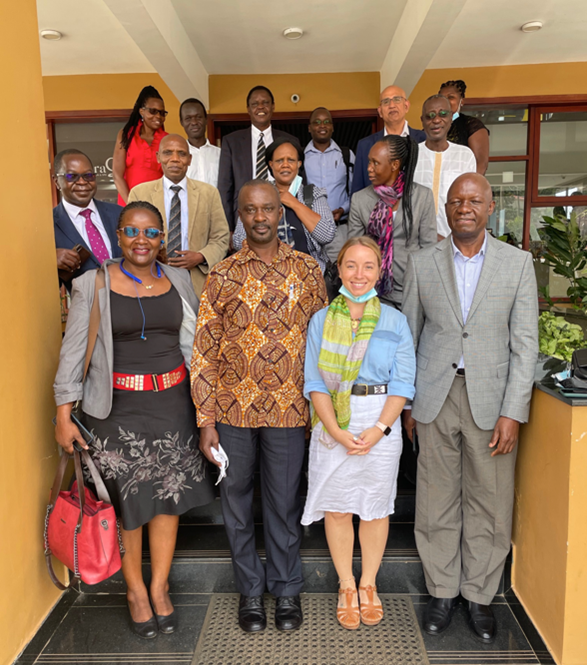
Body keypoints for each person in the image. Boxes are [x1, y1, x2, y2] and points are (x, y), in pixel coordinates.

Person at [54, 201, 215, 639]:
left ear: (163, 239)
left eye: (151, 233)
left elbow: (195, 347)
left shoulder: (179, 278)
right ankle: (135, 592)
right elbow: (73, 352)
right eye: (132, 232)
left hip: (173, 406)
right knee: (128, 506)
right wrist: (63, 412)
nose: (141, 241)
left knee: (167, 499)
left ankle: (160, 587)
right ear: (119, 236)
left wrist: (206, 409)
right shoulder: (93, 283)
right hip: (115, 412)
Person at [402, 173, 538, 643]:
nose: (465, 207)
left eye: (474, 200)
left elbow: (526, 345)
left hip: (492, 400)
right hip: (435, 397)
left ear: (490, 206)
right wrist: (409, 405)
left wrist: (513, 412)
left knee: (490, 501)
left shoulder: (517, 264)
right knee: (436, 497)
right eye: (457, 200)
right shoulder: (422, 263)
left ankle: (479, 595)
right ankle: (441, 591)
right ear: (446, 208)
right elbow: (409, 339)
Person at [191, 180, 327, 634]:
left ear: (280, 211)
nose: (261, 217)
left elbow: (324, 346)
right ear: (241, 216)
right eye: (251, 210)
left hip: (290, 413)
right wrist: (205, 419)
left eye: (268, 208)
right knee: (235, 503)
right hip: (232, 413)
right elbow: (204, 351)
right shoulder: (223, 274)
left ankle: (287, 590)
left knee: (284, 504)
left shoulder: (308, 270)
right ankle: (250, 591)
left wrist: (321, 411)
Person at [302, 237, 415, 629]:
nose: (359, 274)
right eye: (351, 265)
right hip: (334, 417)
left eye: (368, 266)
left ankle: (369, 584)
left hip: (381, 418)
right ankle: (346, 586)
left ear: (380, 271)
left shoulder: (395, 320)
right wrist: (334, 427)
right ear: (339, 270)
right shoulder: (321, 319)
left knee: (375, 507)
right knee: (337, 506)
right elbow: (314, 381)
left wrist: (381, 428)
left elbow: (403, 383)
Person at [128, 135, 229, 298]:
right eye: (168, 153)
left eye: (181, 154)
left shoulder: (209, 193)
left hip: (196, 281)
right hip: (151, 279)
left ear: (189, 159)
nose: (175, 159)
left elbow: (221, 237)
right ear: (158, 157)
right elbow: (130, 238)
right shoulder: (139, 193)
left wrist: (200, 256)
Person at [347, 135, 436, 309]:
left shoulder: (421, 197)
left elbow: (429, 248)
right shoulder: (360, 199)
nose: (369, 169)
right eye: (369, 162)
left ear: (394, 165)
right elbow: (354, 249)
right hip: (373, 290)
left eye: (375, 163)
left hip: (411, 289)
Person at [233, 138, 335, 272]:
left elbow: (327, 235)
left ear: (299, 163)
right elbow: (238, 240)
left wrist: (294, 203)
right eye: (279, 161)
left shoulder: (312, 194)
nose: (285, 165)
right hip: (265, 276)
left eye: (291, 160)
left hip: (308, 276)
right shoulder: (258, 195)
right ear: (271, 164)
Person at [217, 85, 298, 230]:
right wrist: (229, 228)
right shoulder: (231, 141)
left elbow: (298, 181)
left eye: (265, 103)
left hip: (282, 216)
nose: (260, 107)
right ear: (248, 109)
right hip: (244, 219)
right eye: (255, 104)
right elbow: (225, 189)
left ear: (273, 107)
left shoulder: (289, 140)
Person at [53, 149, 122, 286]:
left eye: (88, 175)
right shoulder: (49, 225)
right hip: (87, 306)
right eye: (72, 177)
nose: (82, 182)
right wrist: (49, 262)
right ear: (56, 182)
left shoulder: (120, 214)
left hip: (129, 301)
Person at [413, 95, 476, 240]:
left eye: (443, 114)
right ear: (422, 120)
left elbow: (469, 202)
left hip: (454, 239)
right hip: (416, 240)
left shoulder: (464, 156)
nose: (436, 120)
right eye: (430, 116)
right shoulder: (412, 155)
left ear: (451, 117)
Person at [351, 85, 425, 195]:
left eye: (397, 99)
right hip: (375, 210)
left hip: (415, 209)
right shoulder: (365, 145)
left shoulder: (424, 140)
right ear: (380, 111)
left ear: (406, 106)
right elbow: (357, 191)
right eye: (386, 102)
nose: (391, 105)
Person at [304, 107, 355, 261]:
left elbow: (356, 192)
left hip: (340, 230)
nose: (322, 125)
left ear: (332, 127)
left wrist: (342, 209)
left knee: (343, 274)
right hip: (310, 229)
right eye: (317, 122)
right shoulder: (300, 157)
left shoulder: (346, 155)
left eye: (327, 122)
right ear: (310, 128)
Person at [112, 86, 168, 206]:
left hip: (158, 205)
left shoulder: (166, 139)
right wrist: (131, 205)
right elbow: (117, 174)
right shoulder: (126, 135)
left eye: (162, 113)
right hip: (128, 203)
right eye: (153, 111)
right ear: (142, 111)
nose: (158, 116)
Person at [439, 80, 490, 175]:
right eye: (442, 97)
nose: (445, 101)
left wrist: (468, 188)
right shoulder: (432, 127)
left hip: (464, 186)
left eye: (451, 97)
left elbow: (480, 165)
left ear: (461, 101)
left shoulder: (471, 125)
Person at [179, 98, 221, 187]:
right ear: (182, 122)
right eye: (188, 118)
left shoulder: (221, 154)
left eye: (198, 117)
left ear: (206, 119)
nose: (194, 122)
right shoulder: (177, 157)